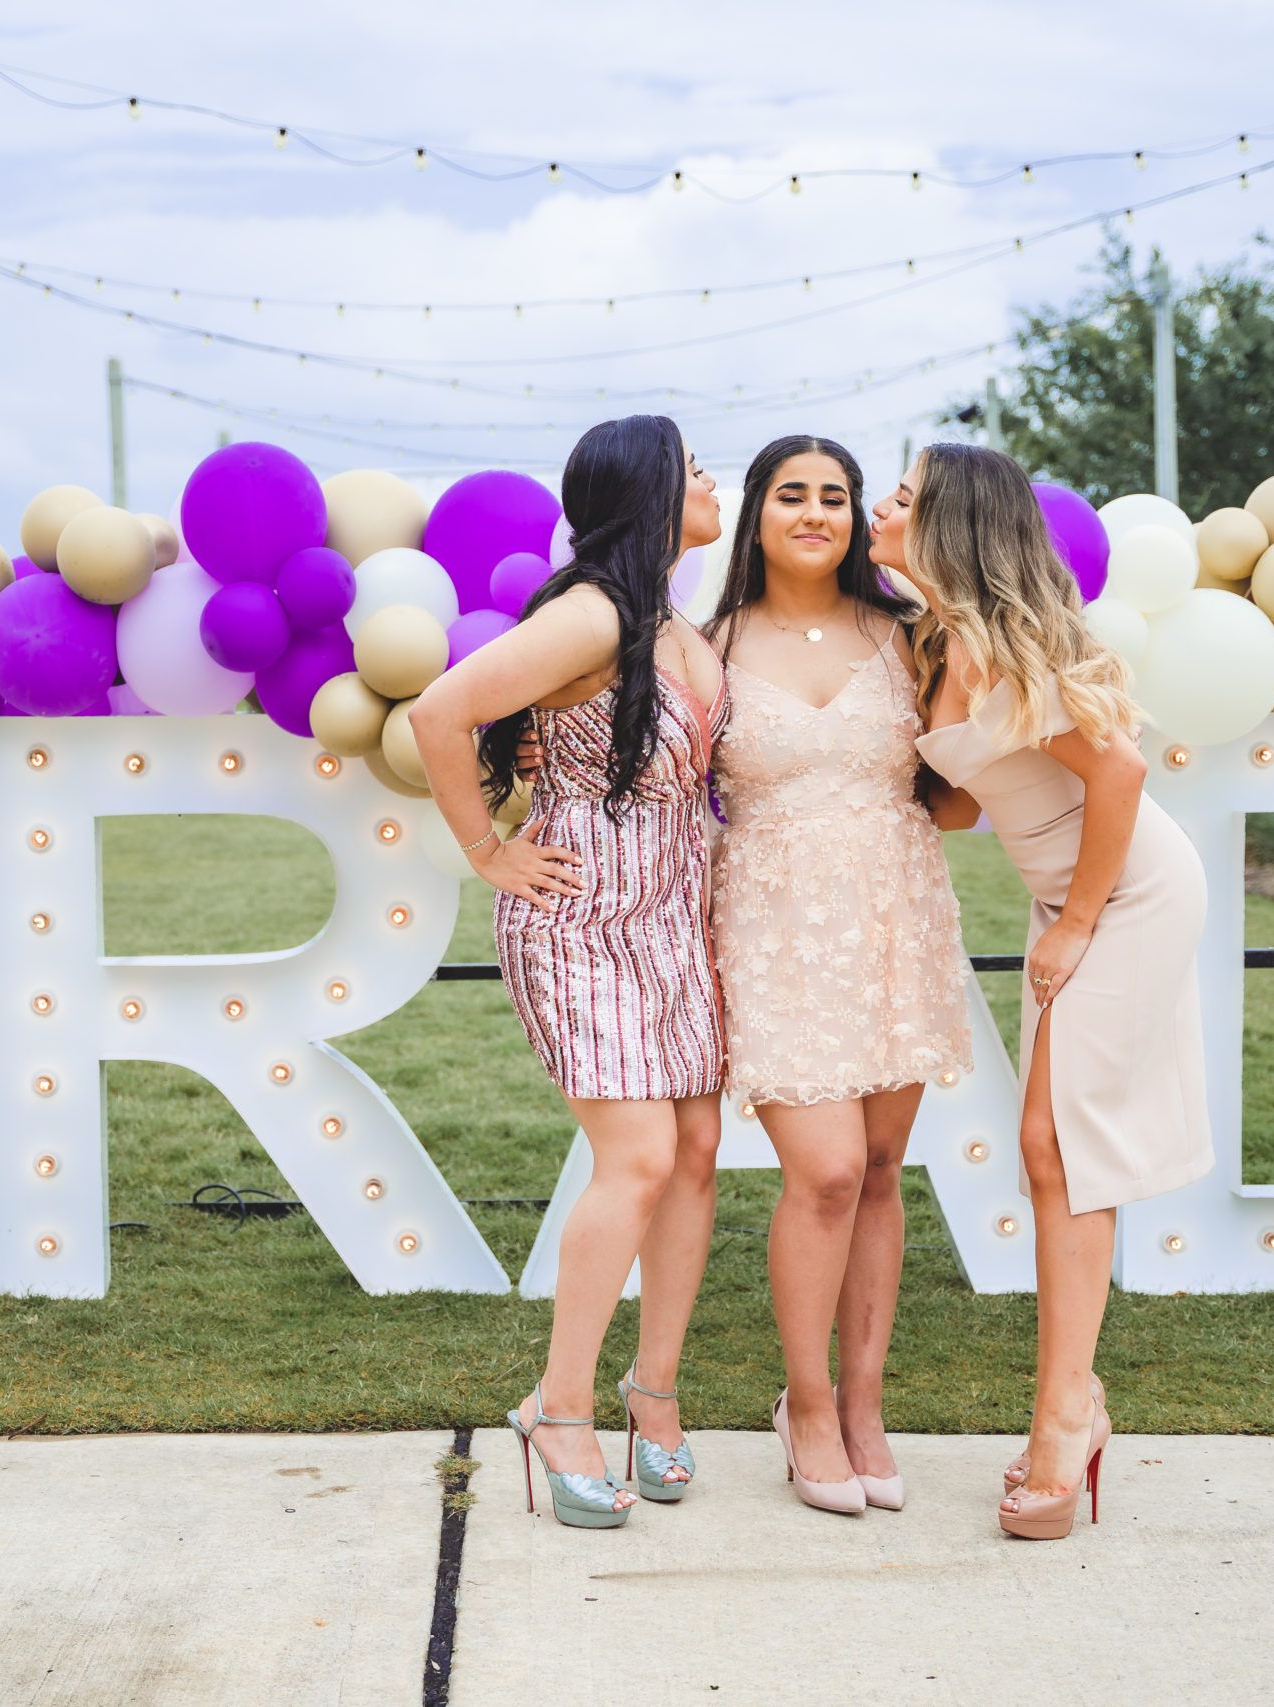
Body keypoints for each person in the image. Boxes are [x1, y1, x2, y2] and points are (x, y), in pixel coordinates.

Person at [877, 443, 1212, 1542]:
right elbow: (972, 803)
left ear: (950, 525)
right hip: (1063, 894)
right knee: (1055, 1144)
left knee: (1055, 1140)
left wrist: (1074, 922)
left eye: (905, 496)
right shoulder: (936, 644)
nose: (882, 505)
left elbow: (1119, 773)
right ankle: (1075, 1405)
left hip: (1123, 894)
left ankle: (1066, 1416)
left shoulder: (993, 651)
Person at [409, 415, 728, 1529]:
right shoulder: (592, 611)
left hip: (674, 921)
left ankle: (655, 1396)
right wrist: (489, 853)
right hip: (582, 918)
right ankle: (560, 1408)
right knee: (638, 1158)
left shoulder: (674, 622)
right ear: (649, 491)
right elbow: (438, 711)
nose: (714, 482)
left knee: (694, 1154)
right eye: (696, 470)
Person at [701, 434, 973, 1515]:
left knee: (878, 1167)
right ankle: (804, 1404)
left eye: (835, 496)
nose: (814, 511)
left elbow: (955, 800)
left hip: (894, 911)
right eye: (790, 494)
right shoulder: (704, 643)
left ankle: (865, 1405)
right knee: (821, 1170)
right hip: (768, 918)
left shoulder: (910, 636)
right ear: (756, 514)